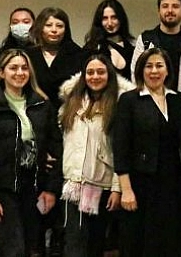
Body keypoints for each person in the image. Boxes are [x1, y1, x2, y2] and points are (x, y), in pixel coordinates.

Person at [0, 49, 63, 256]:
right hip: (3, 190)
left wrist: (51, 189)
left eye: (24, 68)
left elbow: (56, 148)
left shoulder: (42, 104)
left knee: (33, 247)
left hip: (35, 187)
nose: (20, 73)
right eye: (13, 68)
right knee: (14, 249)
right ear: (1, 72)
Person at [113, 48, 181, 256]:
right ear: (140, 70)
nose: (154, 71)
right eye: (149, 66)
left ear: (167, 70)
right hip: (141, 184)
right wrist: (126, 190)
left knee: (172, 242)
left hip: (174, 184)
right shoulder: (129, 100)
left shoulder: (177, 100)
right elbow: (120, 147)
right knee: (142, 243)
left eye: (159, 66)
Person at [58, 54, 134, 257]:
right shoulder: (71, 102)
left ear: (109, 75)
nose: (95, 76)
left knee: (95, 243)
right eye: (90, 72)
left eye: (101, 72)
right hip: (74, 184)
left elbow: (122, 150)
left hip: (102, 184)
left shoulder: (119, 105)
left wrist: (117, 188)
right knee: (74, 243)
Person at [132, 0, 181, 97]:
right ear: (159, 10)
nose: (170, 10)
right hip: (149, 102)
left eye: (175, 6)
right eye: (165, 6)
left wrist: (178, 99)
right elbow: (136, 73)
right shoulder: (145, 40)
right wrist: (152, 99)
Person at [26, 7, 84, 109]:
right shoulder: (28, 54)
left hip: (68, 111)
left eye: (59, 26)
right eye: (48, 25)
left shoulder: (77, 54)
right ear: (40, 27)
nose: (54, 30)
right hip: (34, 110)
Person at [83, 0, 136, 81]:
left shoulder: (132, 47)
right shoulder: (92, 48)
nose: (110, 23)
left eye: (114, 17)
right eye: (105, 18)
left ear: (121, 19)